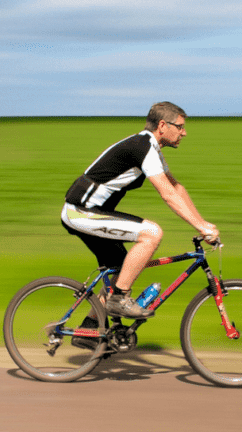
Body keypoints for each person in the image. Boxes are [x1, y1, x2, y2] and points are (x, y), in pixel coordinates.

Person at [61, 102, 220, 321]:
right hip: (80, 212)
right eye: (180, 126)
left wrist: (204, 223)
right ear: (162, 126)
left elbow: (176, 188)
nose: (184, 132)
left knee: (121, 273)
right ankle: (119, 299)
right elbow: (167, 194)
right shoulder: (143, 147)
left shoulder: (150, 147)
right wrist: (200, 227)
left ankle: (88, 330)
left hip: (90, 212)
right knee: (152, 233)